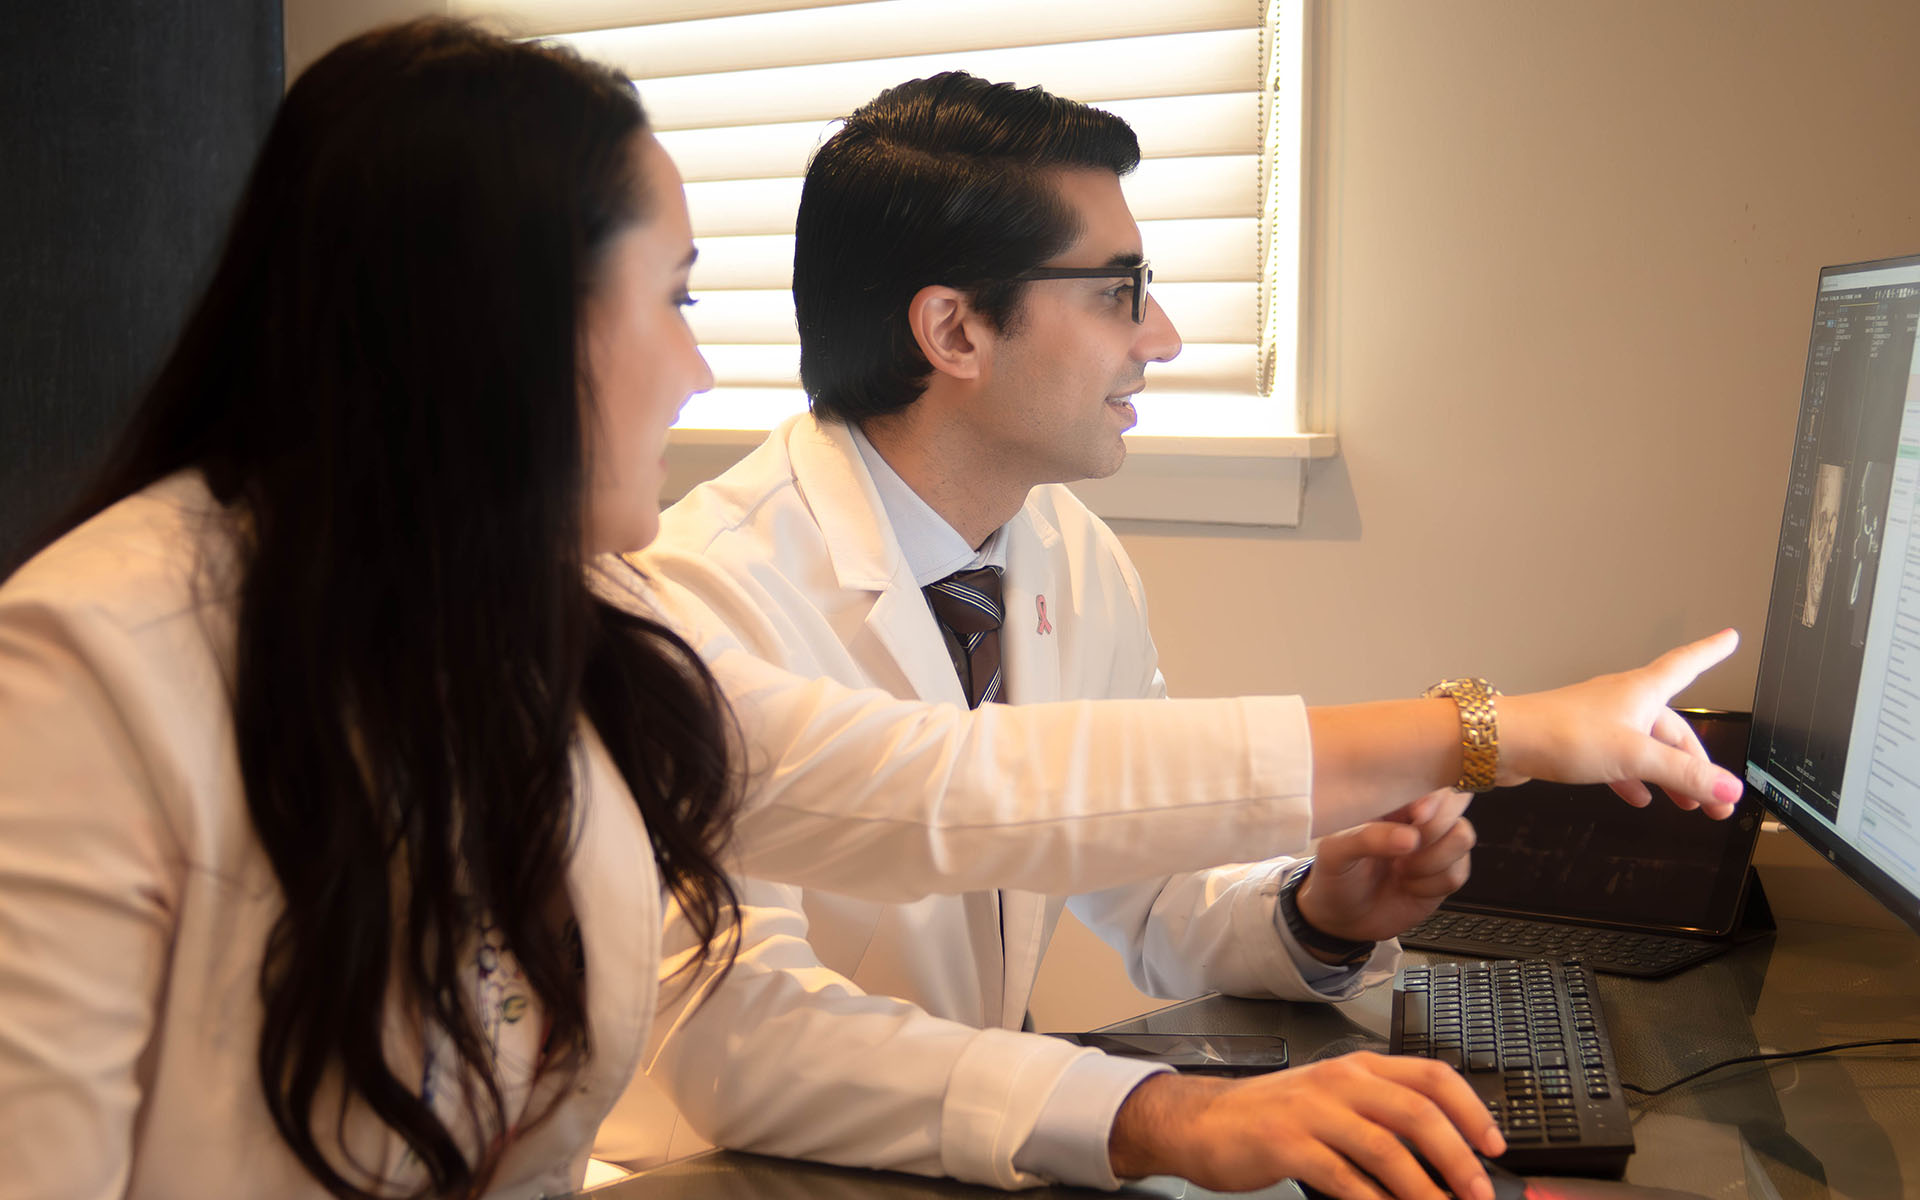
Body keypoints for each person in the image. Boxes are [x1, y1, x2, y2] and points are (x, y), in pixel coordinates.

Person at [0, 21, 1741, 1200]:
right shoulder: (94, 670)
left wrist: (1365, 853)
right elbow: (744, 1011)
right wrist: (1168, 1107)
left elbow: (968, 798)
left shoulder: (569, 639)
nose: (699, 366)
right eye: (670, 299)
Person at [614, 73, 1742, 1200]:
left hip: (976, 1156)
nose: (1161, 334)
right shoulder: (703, 595)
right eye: (1119, 290)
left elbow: (1142, 870)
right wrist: (1486, 732)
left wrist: (1314, 913)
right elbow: (749, 1039)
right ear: (954, 328)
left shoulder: (1063, 549)